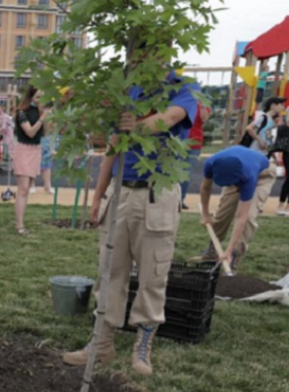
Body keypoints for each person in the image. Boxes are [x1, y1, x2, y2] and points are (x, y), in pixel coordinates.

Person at [63, 67, 199, 376]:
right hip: (120, 192)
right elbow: (113, 145)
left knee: (154, 272)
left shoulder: (184, 86)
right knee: (110, 270)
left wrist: (131, 127)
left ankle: (143, 345)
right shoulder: (128, 90)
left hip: (157, 193)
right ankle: (102, 343)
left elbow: (168, 118)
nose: (143, 59)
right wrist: (98, 196)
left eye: (150, 52)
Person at [192, 146, 276, 270]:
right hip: (235, 171)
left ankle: (234, 254)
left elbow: (241, 217)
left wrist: (229, 249)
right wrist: (205, 214)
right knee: (222, 214)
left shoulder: (249, 176)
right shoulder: (211, 163)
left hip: (262, 175)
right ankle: (213, 249)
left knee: (248, 217)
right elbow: (205, 188)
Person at [12, 86, 50, 235]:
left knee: (26, 189)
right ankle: (19, 224)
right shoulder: (22, 113)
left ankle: (21, 221)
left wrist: (45, 117)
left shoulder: (39, 112)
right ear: (31, 97)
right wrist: (42, 118)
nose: (40, 101)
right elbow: (30, 132)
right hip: (24, 149)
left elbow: (43, 132)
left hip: (35, 149)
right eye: (38, 97)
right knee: (23, 189)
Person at [178, 101, 211, 210]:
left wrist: (202, 105)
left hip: (194, 143)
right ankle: (172, 198)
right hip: (179, 142)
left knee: (186, 173)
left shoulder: (202, 105)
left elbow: (204, 119)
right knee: (174, 171)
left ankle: (180, 199)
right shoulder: (181, 102)